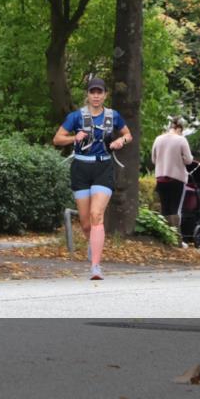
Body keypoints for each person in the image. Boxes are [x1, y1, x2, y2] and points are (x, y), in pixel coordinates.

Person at [53, 77, 132, 280]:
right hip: (80, 167)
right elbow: (57, 138)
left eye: (100, 92)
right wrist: (74, 138)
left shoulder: (113, 116)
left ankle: (96, 266)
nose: (96, 96)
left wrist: (120, 141)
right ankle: (92, 245)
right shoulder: (76, 116)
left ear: (105, 95)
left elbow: (128, 134)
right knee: (86, 223)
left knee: (97, 215)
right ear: (87, 95)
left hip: (103, 167)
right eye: (92, 92)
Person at [151, 118, 194, 239]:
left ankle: (163, 237)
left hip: (160, 178)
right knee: (175, 209)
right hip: (177, 179)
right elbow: (189, 160)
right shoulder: (181, 140)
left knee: (164, 208)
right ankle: (176, 239)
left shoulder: (158, 139)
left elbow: (153, 160)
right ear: (179, 128)